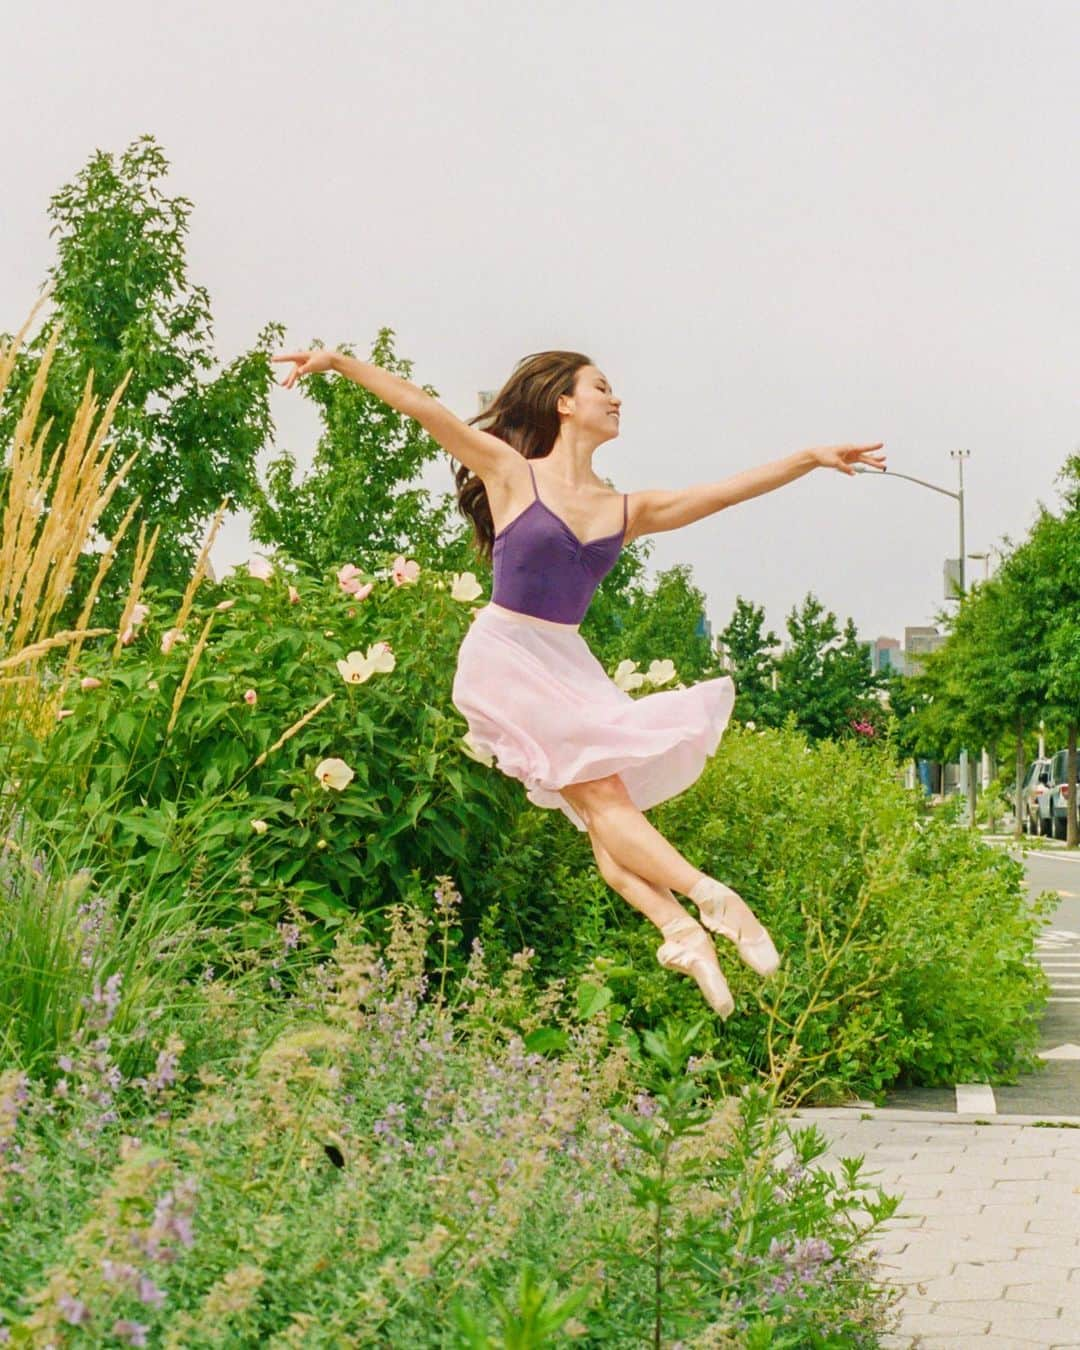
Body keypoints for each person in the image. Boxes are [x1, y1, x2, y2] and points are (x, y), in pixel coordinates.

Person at [273, 346, 886, 1017]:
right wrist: (338, 363)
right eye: (602, 387)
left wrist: (809, 459)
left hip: (567, 662)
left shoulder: (627, 509)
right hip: (508, 653)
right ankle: (711, 899)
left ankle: (680, 931)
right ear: (564, 403)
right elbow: (423, 407)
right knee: (601, 798)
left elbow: (725, 492)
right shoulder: (510, 473)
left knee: (603, 813)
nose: (615, 398)